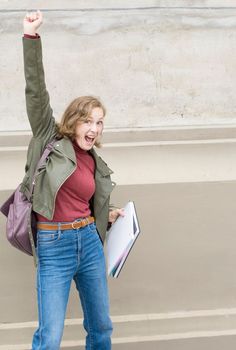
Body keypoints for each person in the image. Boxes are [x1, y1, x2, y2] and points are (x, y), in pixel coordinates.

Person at [22, 10, 123, 350]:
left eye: (100, 122)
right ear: (73, 122)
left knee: (101, 327)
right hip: (55, 245)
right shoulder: (49, 140)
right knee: (49, 338)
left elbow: (82, 201)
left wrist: (106, 214)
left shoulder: (95, 162)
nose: (94, 129)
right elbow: (36, 93)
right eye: (88, 121)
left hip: (90, 244)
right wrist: (31, 37)